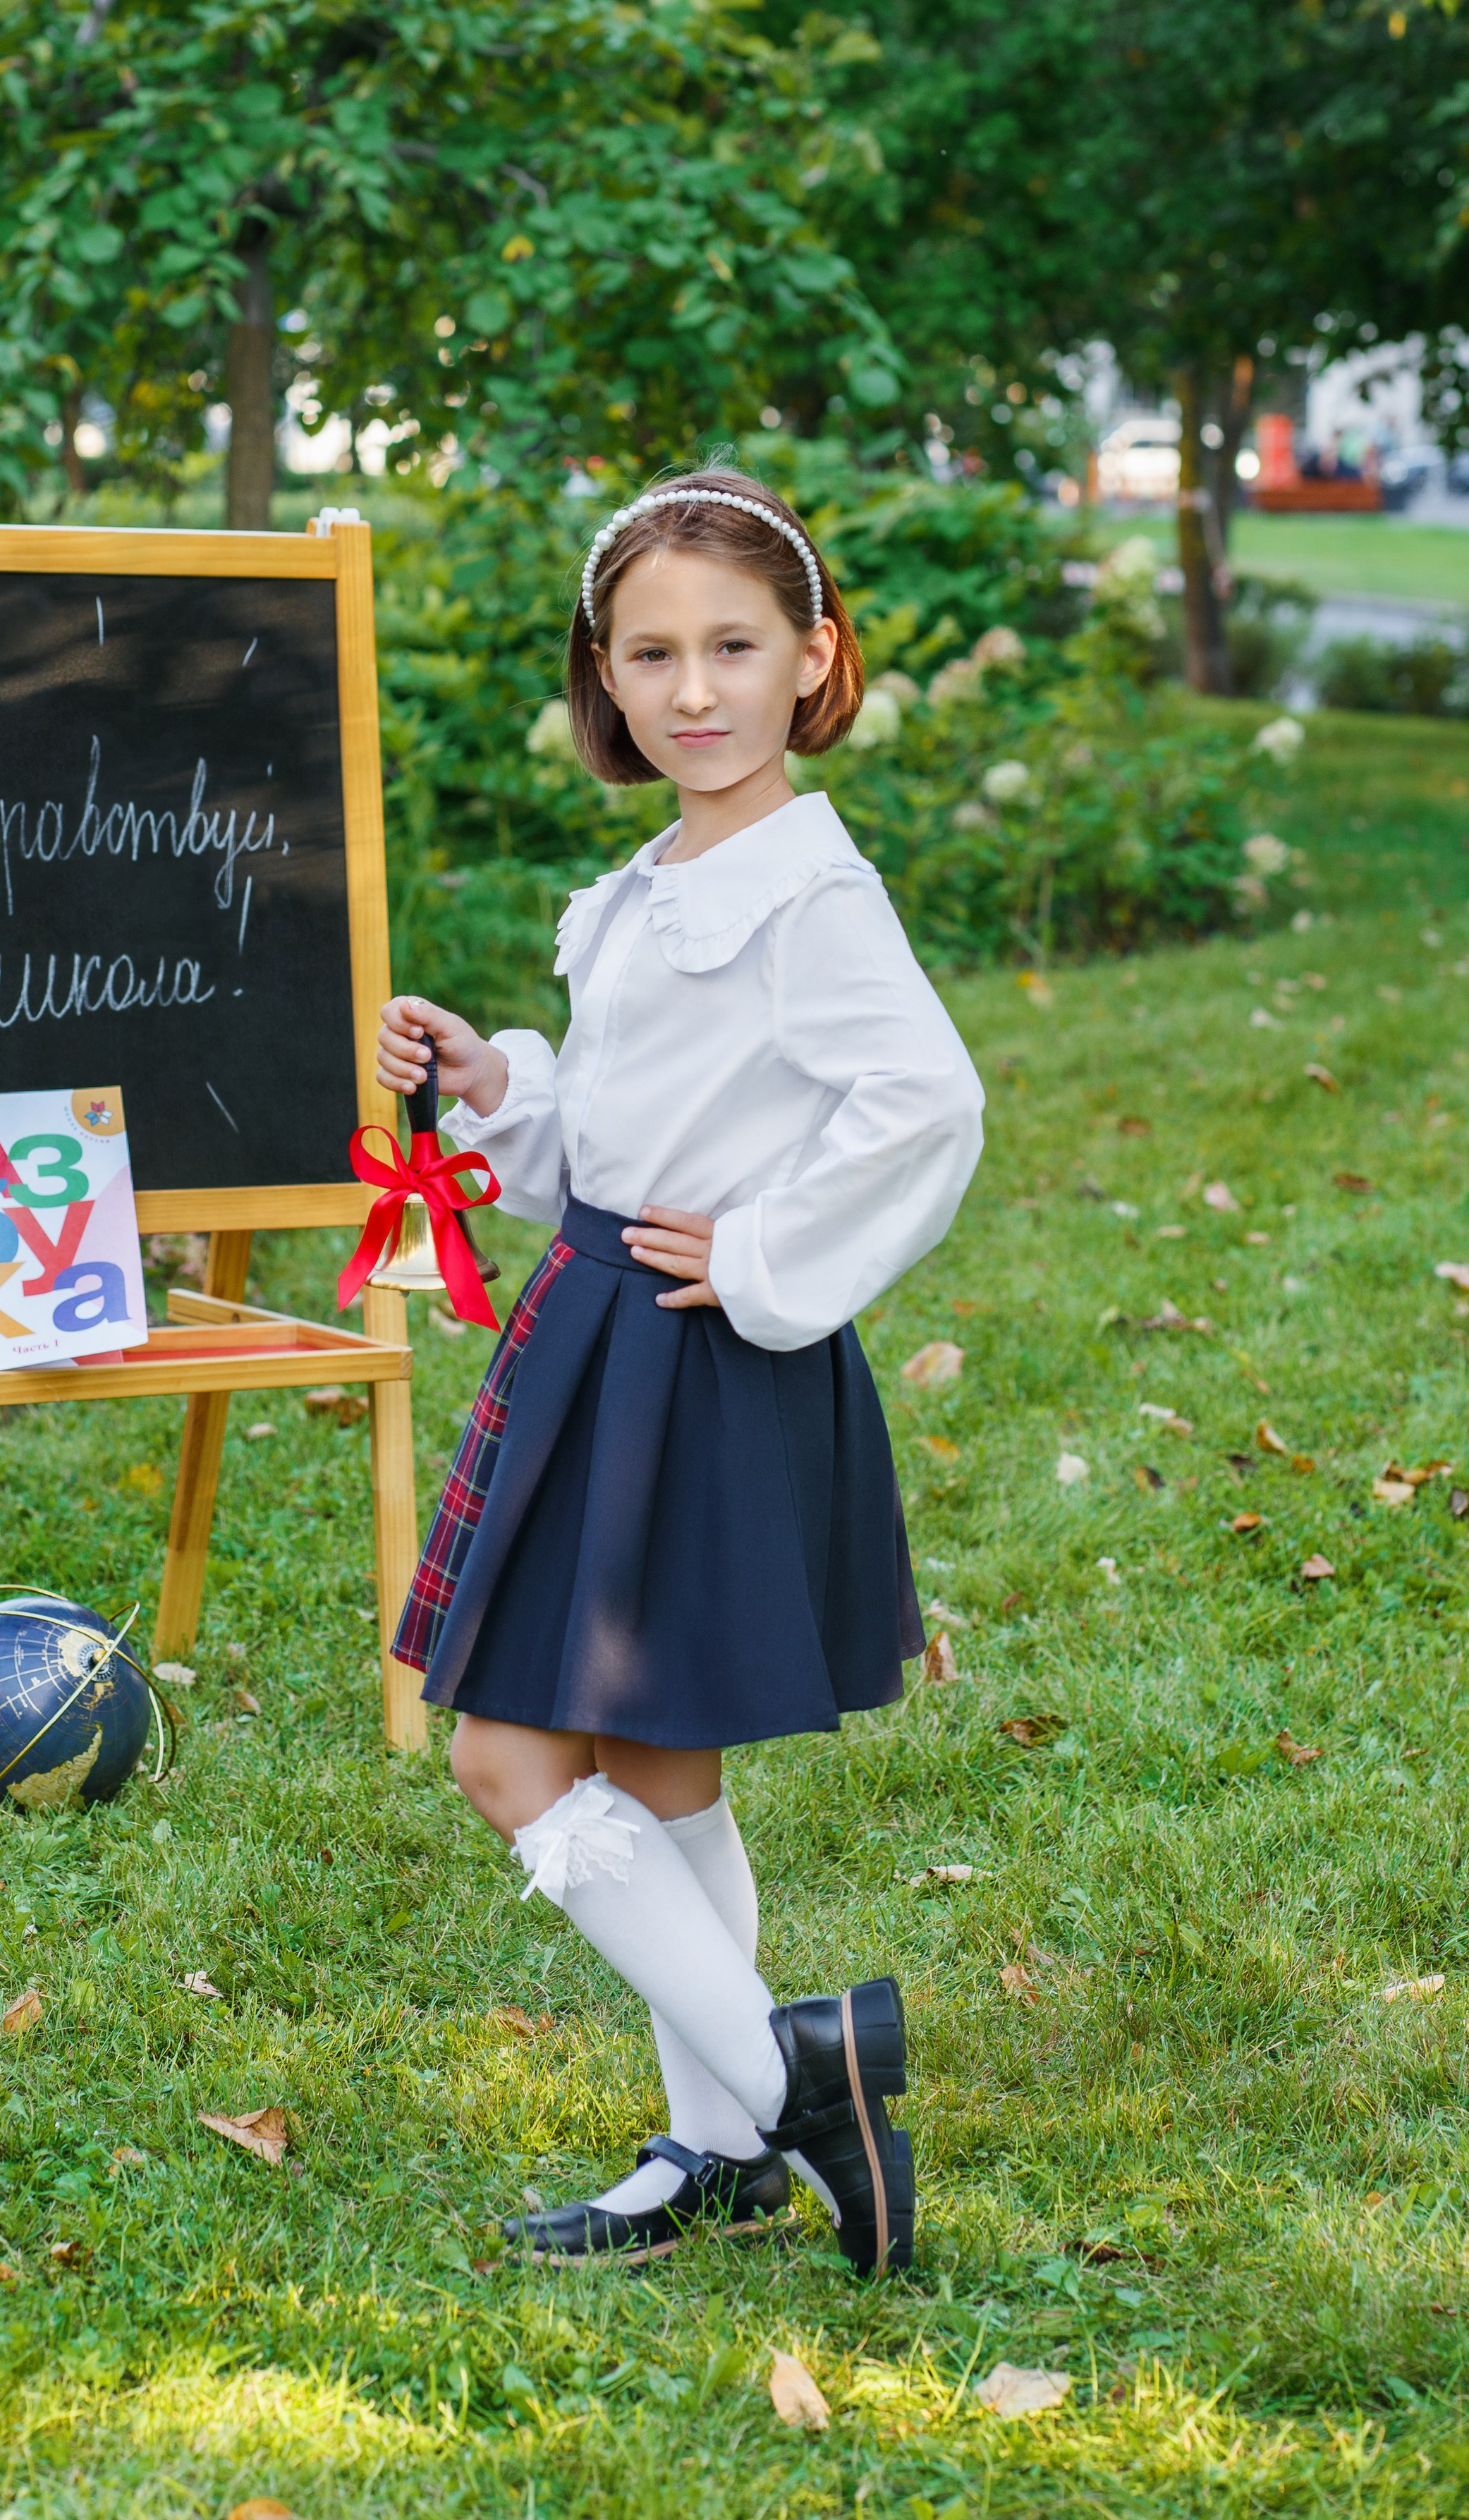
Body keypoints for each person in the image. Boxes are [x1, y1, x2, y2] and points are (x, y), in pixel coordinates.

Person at [377, 467, 985, 2274]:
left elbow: (926, 1103)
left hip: (695, 1352)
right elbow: (619, 1127)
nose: (692, 688)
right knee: (655, 1771)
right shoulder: (649, 883)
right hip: (601, 1333)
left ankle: (788, 2076)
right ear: (605, 676)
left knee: (504, 1757)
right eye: (650, 654)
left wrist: (768, 1252)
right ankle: (726, 2145)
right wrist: (502, 1084)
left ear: (813, 659)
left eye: (732, 646)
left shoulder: (807, 891)